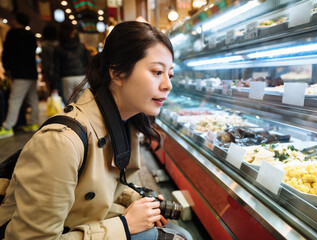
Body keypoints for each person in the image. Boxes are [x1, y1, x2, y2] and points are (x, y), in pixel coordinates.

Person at [0, 21, 192, 240]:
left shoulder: (124, 123)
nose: (168, 84)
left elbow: (98, 187)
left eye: (171, 74)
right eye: (158, 72)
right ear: (117, 73)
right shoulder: (61, 143)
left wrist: (136, 198)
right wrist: (125, 225)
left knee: (180, 233)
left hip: (82, 222)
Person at [0, 12, 39, 138]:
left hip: (20, 72)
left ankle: (7, 127)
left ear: (17, 20)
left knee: (14, 100)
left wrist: (7, 68)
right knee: (33, 99)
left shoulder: (13, 33)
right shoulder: (31, 35)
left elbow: (8, 53)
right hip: (32, 72)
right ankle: (33, 123)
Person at [54, 22, 90, 104]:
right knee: (83, 104)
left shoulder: (58, 48)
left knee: (70, 105)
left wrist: (55, 86)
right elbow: (88, 62)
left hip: (66, 78)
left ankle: (72, 117)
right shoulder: (82, 46)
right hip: (81, 77)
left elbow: (57, 68)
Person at [40, 24, 59, 96]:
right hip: (60, 73)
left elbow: (45, 63)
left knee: (52, 95)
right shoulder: (59, 44)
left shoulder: (44, 45)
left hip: (50, 73)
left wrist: (45, 76)